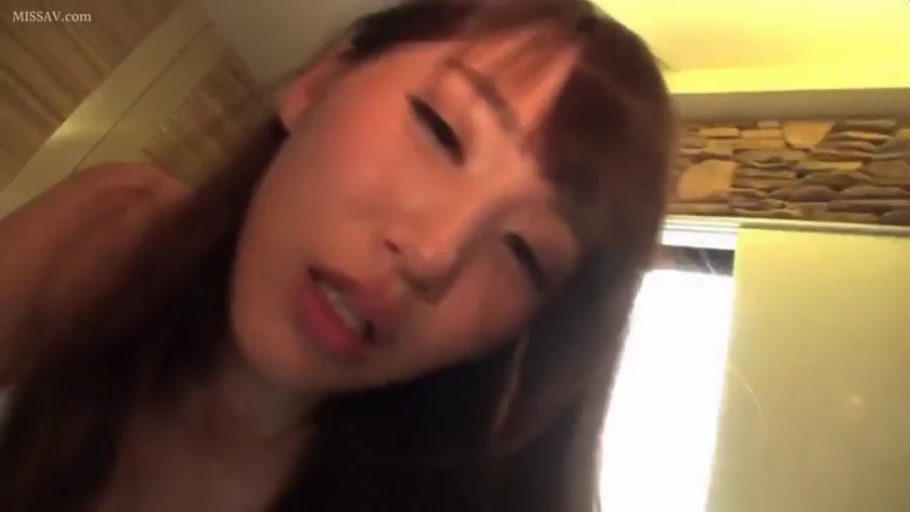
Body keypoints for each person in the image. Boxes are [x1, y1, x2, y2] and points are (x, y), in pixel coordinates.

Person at [0, 1, 674, 510]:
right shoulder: (108, 231)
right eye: (442, 130)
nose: (434, 253)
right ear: (319, 84)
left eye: (525, 254)